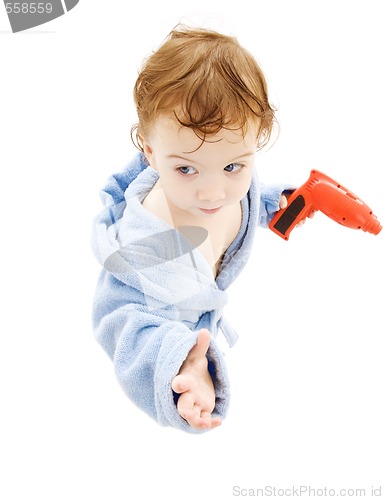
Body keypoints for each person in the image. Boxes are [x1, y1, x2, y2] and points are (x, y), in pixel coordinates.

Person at [91, 25, 293, 433]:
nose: (213, 191)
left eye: (234, 166)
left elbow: (246, 196)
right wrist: (179, 361)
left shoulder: (222, 175)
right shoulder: (148, 241)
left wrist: (274, 204)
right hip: (175, 326)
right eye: (185, 168)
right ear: (149, 151)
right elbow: (118, 320)